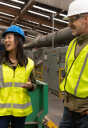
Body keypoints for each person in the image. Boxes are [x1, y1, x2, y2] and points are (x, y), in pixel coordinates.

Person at [0, 25, 37, 128]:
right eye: (5, 38)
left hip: (20, 110)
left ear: (18, 41)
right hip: (2, 109)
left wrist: (31, 86)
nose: (5, 41)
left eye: (9, 37)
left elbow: (34, 84)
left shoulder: (29, 63)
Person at [59, 0, 88, 128]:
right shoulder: (72, 44)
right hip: (68, 109)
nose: (69, 24)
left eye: (72, 19)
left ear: (86, 19)